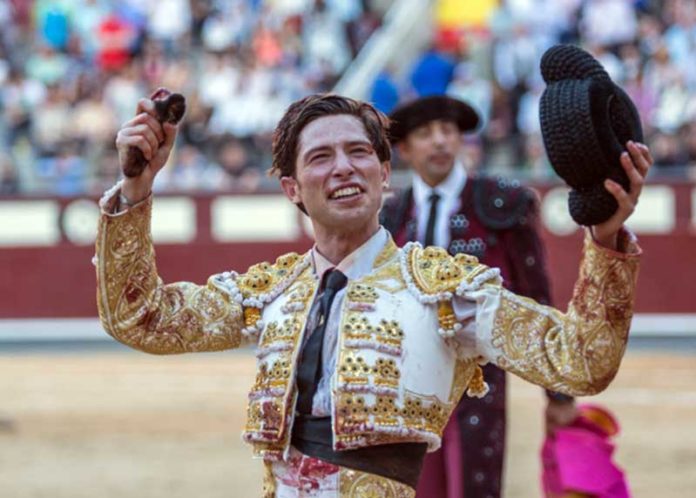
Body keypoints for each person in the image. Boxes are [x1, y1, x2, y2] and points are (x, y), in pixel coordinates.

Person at [95, 93, 650, 497]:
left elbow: (580, 361)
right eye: (320, 157)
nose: (343, 168)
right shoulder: (273, 292)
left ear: (385, 174)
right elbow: (139, 318)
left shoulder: (443, 289)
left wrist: (604, 239)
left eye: (359, 153)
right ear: (293, 189)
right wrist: (137, 190)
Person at [381, 95, 577, 498]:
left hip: (480, 381)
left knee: (475, 488)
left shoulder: (502, 204)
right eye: (425, 134)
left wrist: (558, 392)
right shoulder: (390, 217)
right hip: (408, 382)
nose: (439, 142)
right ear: (404, 149)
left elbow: (536, 298)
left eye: (448, 131)